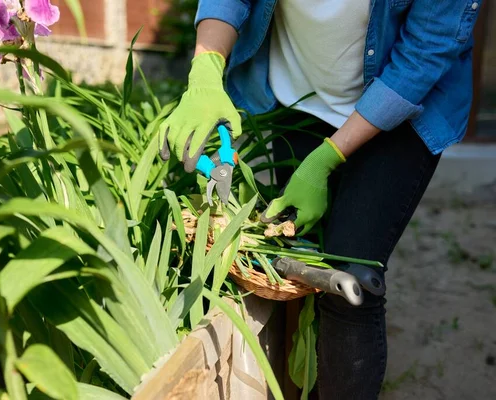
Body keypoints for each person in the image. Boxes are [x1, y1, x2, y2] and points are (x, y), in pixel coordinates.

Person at [158, 1, 483, 399]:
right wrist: (205, 70)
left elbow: (425, 52)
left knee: (351, 281)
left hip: (402, 111)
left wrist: (328, 158)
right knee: (300, 256)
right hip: (300, 96)